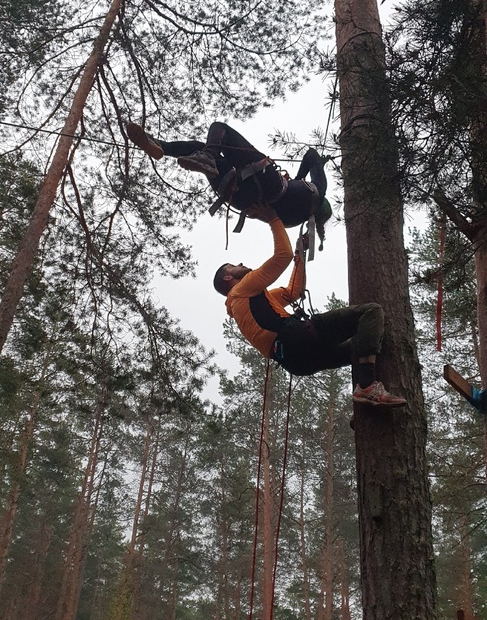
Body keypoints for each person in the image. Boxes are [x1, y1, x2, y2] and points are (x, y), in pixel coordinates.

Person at [213, 211, 407, 407]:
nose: (240, 264)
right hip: (296, 338)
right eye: (233, 266)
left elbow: (294, 292)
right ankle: (366, 386)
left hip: (296, 363)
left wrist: (300, 255)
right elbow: (282, 256)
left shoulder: (248, 301)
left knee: (363, 345)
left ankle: (366, 397)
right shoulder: (242, 289)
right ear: (228, 278)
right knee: (371, 312)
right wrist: (273, 218)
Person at [127, 120, 331, 242]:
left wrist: (298, 177)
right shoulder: (290, 221)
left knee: (219, 129)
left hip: (266, 181)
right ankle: (165, 147)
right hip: (239, 198)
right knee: (204, 149)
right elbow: (269, 218)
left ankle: (169, 148)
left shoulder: (318, 192)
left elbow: (311, 155)